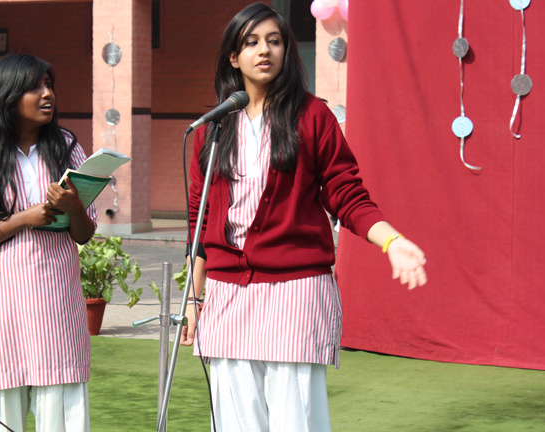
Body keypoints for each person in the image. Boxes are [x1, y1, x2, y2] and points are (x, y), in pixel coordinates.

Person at [180, 3, 427, 431]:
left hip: (296, 290)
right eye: (251, 42)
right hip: (226, 293)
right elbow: (197, 221)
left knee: (295, 419)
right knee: (236, 421)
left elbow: (347, 194)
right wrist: (193, 299)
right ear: (233, 57)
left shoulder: (313, 117)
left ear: (287, 51)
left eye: (274, 41)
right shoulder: (212, 129)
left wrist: (392, 240)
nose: (264, 50)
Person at [0, 53, 96, 432]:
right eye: (35, 87)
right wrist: (23, 219)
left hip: (57, 309)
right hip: (1, 312)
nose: (47, 94)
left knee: (62, 417)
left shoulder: (67, 148)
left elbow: (84, 233)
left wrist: (73, 206)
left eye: (49, 85)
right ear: (8, 95)